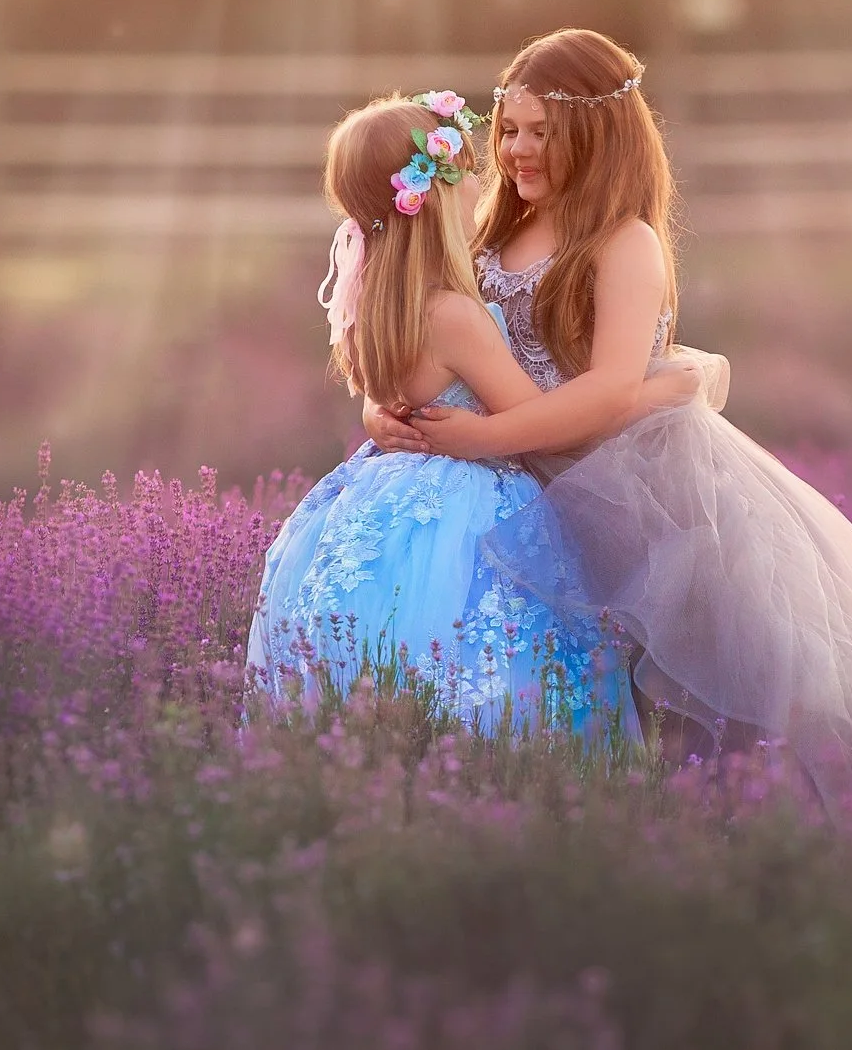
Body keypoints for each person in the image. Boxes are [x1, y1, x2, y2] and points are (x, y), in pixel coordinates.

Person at [372, 29, 852, 861]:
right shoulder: (494, 230)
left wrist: (485, 436)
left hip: (636, 484)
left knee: (731, 689)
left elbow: (610, 391)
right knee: (577, 686)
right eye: (510, 128)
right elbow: (438, 335)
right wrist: (390, 413)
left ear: (600, 136)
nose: (520, 148)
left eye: (544, 130)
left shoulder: (623, 243)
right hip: (534, 482)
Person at [247, 90, 638, 738]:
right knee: (491, 668)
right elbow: (532, 416)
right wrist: (633, 389)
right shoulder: (456, 317)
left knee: (380, 653)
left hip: (375, 497)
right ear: (436, 190)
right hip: (469, 504)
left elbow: (379, 394)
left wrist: (374, 415)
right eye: (470, 168)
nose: (486, 179)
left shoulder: (367, 304)